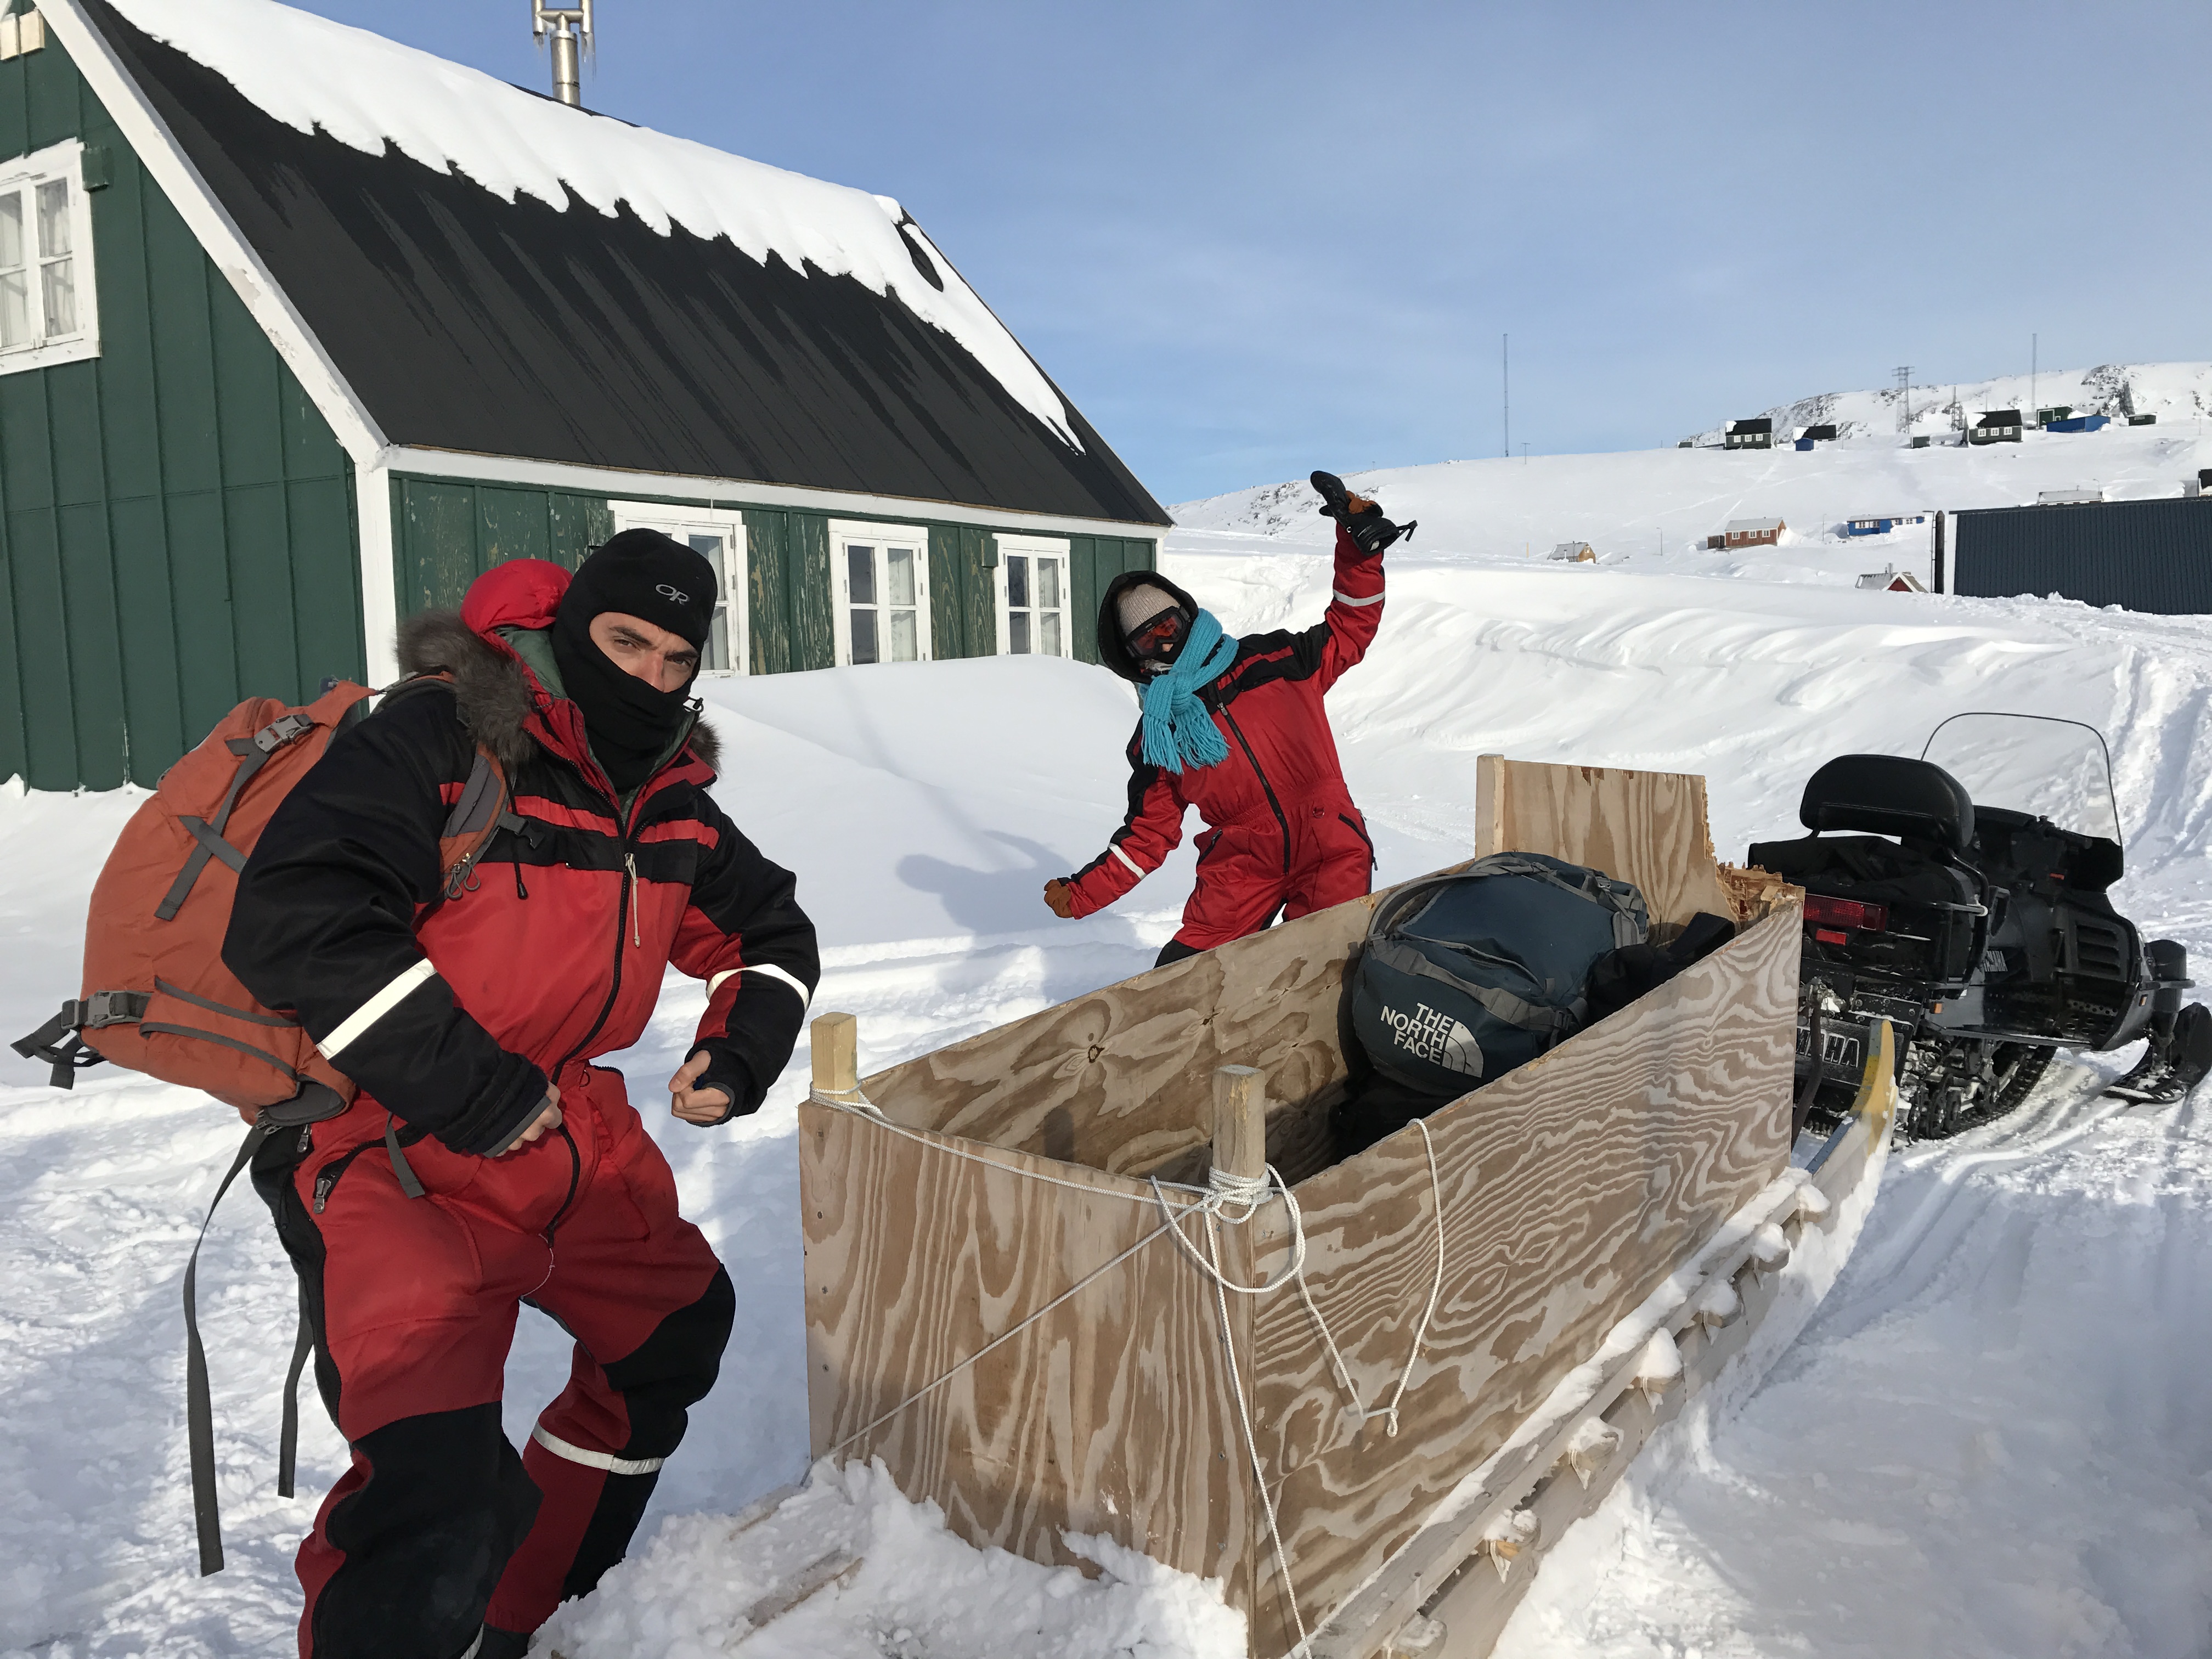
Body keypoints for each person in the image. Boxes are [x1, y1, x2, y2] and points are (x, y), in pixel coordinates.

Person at [223, 531, 819, 1659]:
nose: (650, 674)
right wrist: (473, 1087)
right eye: (626, 641)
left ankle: (528, 1620)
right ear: (570, 625)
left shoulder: (670, 793)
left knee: (672, 1335)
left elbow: (770, 931)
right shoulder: (443, 738)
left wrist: (741, 1051)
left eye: (676, 658)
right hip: (388, 1139)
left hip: (567, 1125)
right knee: (436, 1493)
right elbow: (298, 914)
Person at [1043, 472, 1411, 965]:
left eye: (1168, 625)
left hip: (1329, 841)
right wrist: (1084, 892)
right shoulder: (1159, 735)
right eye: (1148, 639)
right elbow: (1148, 835)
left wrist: (1358, 554)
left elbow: (1350, 626)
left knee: (1327, 970)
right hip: (1240, 865)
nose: (1165, 642)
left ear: (1186, 616)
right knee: (1184, 977)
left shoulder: (1276, 659)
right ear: (1132, 656)